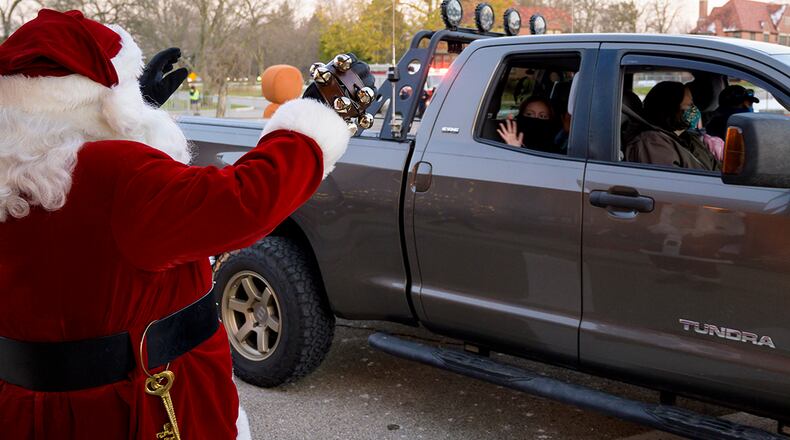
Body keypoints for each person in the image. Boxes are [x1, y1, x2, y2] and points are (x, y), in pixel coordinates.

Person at [0, 9, 363, 439]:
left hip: (27, 406)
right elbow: (244, 199)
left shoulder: (15, 169)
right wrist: (318, 119)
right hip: (138, 406)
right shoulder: (118, 175)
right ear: (106, 99)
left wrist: (120, 114)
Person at [624, 81, 719, 171]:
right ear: (671, 108)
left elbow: (716, 167)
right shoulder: (652, 143)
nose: (694, 110)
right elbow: (671, 184)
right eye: (689, 105)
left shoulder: (688, 138)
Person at [497, 95, 563, 153]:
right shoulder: (506, 143)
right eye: (529, 114)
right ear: (521, 116)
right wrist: (513, 149)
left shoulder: (556, 153)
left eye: (542, 116)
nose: (535, 119)